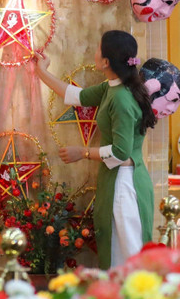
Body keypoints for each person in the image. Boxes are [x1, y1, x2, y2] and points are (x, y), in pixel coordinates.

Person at [33, 30, 157, 268]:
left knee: (128, 259)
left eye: (98, 49)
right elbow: (76, 96)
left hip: (125, 183)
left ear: (106, 62)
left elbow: (121, 152)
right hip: (119, 179)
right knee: (121, 255)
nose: (94, 52)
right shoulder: (113, 87)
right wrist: (42, 71)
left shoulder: (120, 98)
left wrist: (82, 152)